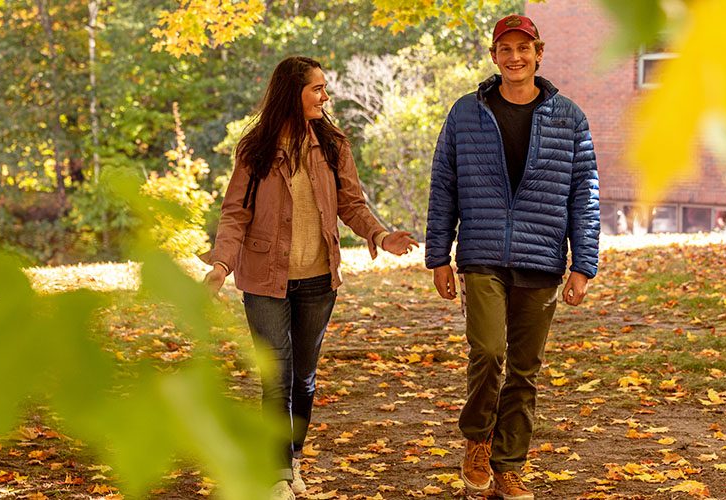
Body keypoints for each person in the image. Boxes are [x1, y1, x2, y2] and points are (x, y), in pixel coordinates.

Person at [203, 56, 418, 499]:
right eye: (317, 89)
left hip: (319, 279)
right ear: (292, 93)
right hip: (264, 281)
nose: (326, 96)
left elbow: (351, 204)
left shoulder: (332, 143)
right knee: (275, 377)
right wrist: (221, 265)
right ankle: (278, 475)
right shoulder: (256, 148)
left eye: (325, 88)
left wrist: (380, 233)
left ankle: (293, 457)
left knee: (303, 378)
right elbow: (235, 213)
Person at [424, 14, 600, 500]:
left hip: (542, 259)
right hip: (481, 254)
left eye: (524, 48)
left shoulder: (569, 117)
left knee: (525, 370)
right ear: (494, 56)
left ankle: (508, 466)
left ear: (538, 53)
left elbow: (584, 194)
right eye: (506, 48)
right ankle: (478, 439)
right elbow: (444, 186)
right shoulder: (466, 113)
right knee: (488, 352)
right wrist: (439, 255)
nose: (515, 57)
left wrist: (583, 264)